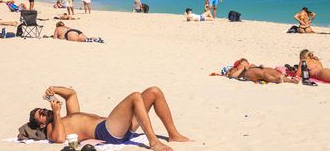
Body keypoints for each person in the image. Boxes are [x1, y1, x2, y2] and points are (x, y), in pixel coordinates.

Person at [28, 86, 189, 151]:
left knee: (154, 91)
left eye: (43, 109)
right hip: (107, 132)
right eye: (41, 115)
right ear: (41, 125)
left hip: (117, 126)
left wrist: (53, 89)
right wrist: (55, 113)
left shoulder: (68, 116)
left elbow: (71, 94)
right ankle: (153, 141)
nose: (44, 112)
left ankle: (173, 134)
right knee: (135, 97)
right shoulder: (52, 128)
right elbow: (59, 139)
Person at [228, 58, 299, 84]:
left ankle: (291, 81)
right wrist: (242, 69)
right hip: (250, 72)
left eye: (245, 61)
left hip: (256, 69)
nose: (245, 62)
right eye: (241, 62)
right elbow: (232, 76)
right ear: (238, 65)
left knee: (274, 72)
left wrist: (257, 66)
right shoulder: (240, 70)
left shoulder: (251, 65)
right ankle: (275, 80)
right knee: (263, 73)